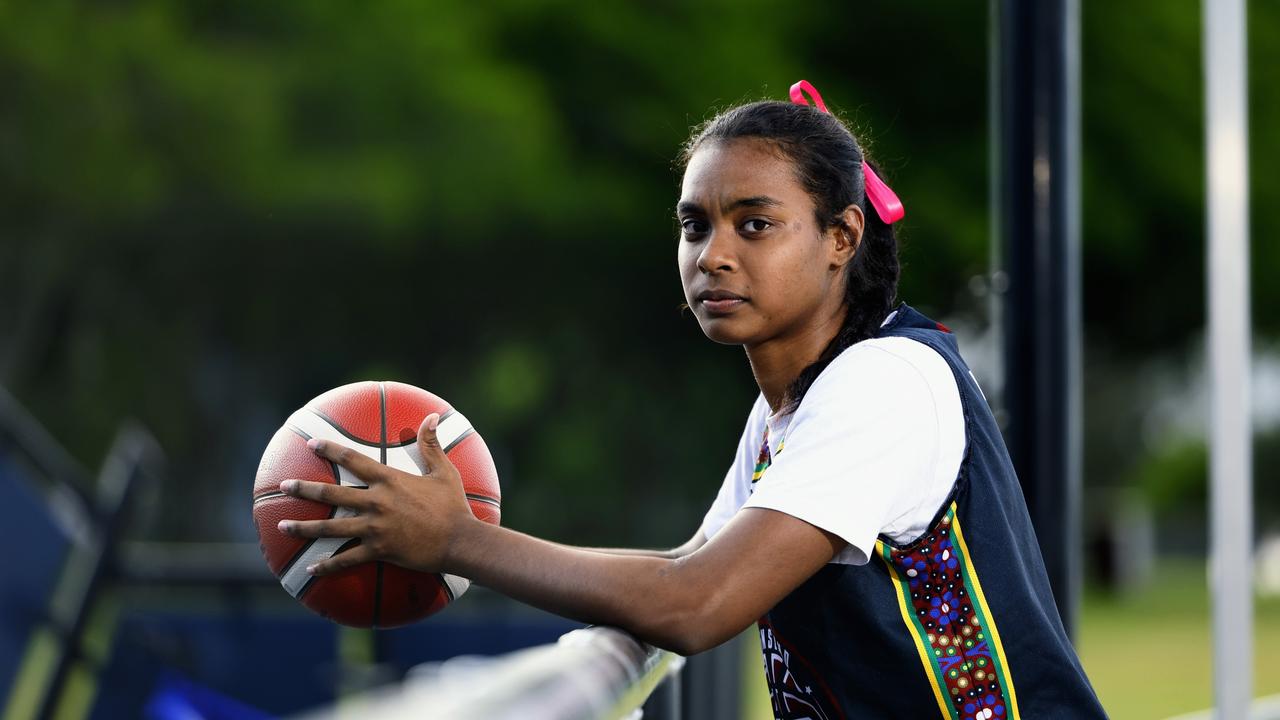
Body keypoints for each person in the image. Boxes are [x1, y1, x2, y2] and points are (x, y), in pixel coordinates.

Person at [277, 81, 1108, 719]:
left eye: (754, 224)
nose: (712, 255)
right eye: (693, 224)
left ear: (841, 238)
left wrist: (458, 540)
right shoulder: (789, 409)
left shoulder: (884, 382)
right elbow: (689, 565)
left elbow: (700, 602)